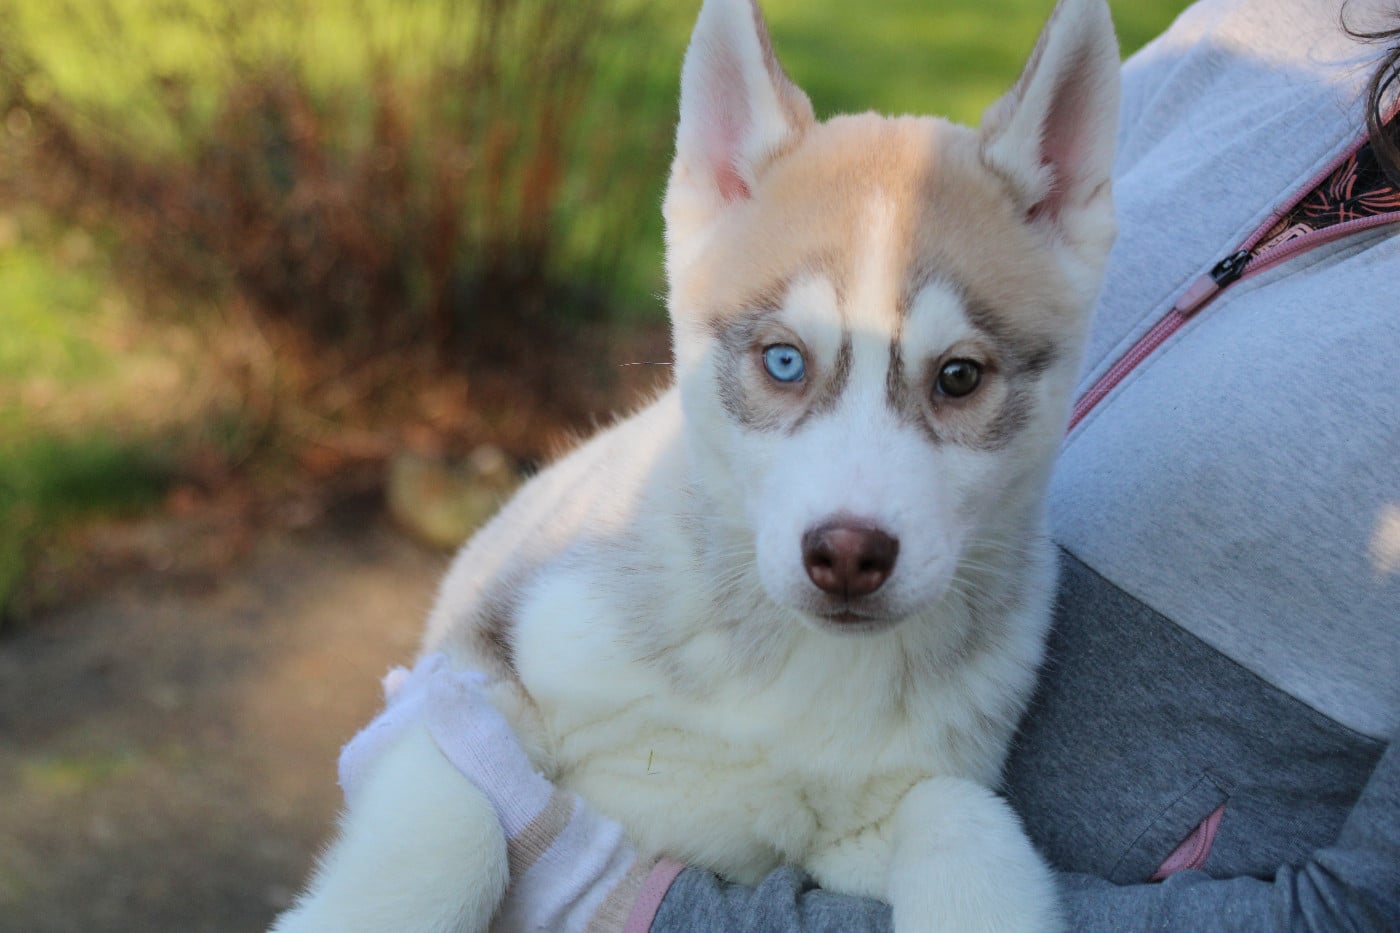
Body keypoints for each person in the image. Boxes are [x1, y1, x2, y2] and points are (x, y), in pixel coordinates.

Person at [337, 0, 1400, 928]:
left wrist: (638, 908)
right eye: (786, 363)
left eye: (953, 381)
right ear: (710, 184)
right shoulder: (1276, 23)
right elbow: (466, 701)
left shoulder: (981, 661)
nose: (854, 516)